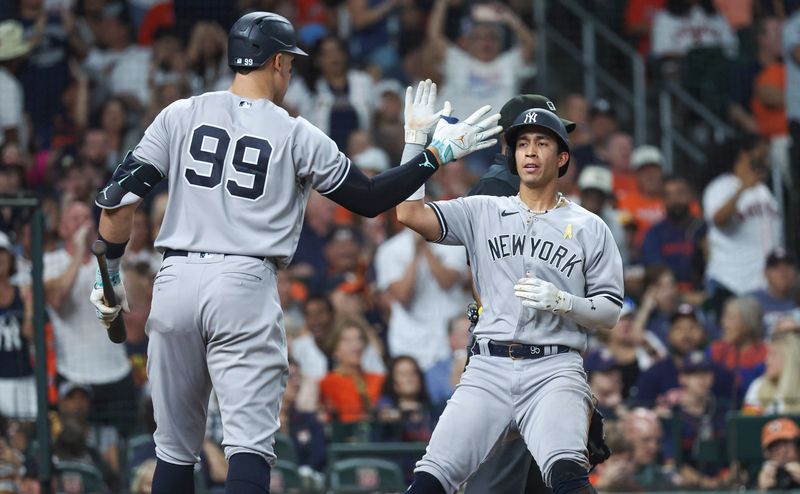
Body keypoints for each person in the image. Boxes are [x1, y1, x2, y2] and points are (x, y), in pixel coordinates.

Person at [87, 11, 501, 494]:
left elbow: (116, 201)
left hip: (175, 279)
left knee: (174, 452)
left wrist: (109, 273)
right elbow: (369, 200)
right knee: (248, 449)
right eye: (290, 64)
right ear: (279, 62)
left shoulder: (181, 113)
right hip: (243, 284)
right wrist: (431, 156)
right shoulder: (295, 132)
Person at [397, 104, 624, 494]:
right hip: (487, 369)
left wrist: (564, 302)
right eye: (522, 144)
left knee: (569, 479)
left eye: (541, 143)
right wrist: (417, 145)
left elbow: (610, 312)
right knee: (428, 482)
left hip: (554, 368)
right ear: (513, 155)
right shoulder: (483, 209)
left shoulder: (590, 226)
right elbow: (408, 212)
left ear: (562, 157)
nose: (531, 152)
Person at [757, 417, 800, 490]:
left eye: (786, 444)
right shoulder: (760, 475)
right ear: (767, 454)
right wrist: (760, 490)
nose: (782, 451)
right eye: (775, 447)